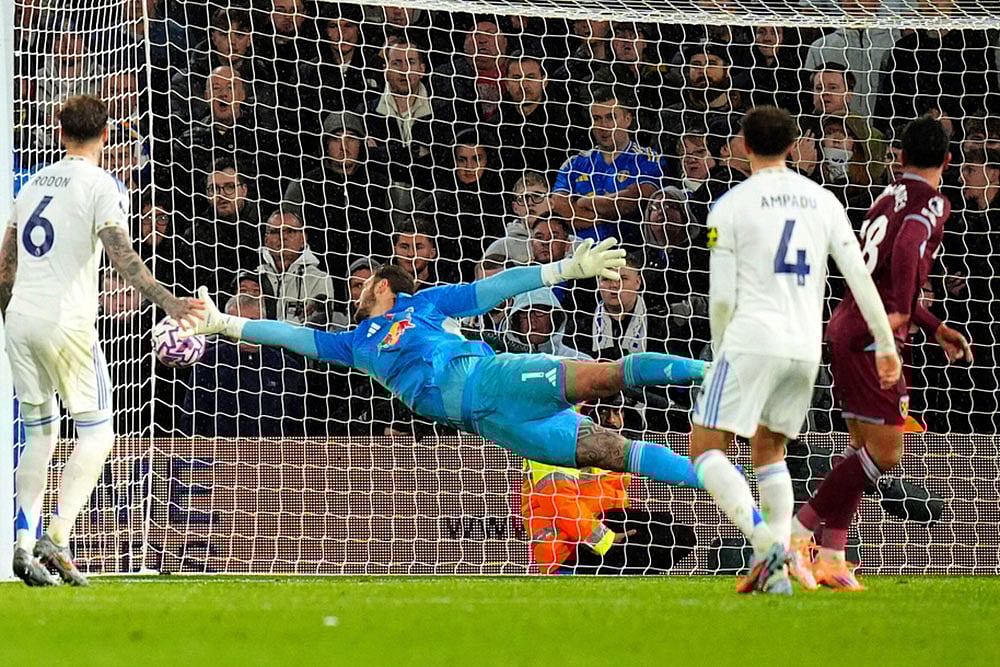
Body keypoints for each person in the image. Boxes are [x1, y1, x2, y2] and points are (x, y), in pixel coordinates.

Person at [182, 239, 713, 519]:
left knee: (602, 381)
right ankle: (734, 496)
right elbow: (290, 336)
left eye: (365, 283)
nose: (357, 291)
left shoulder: (424, 304)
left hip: (494, 379)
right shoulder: (353, 344)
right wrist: (226, 323)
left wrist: (561, 271)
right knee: (609, 452)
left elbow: (495, 288)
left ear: (385, 287)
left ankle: (708, 372)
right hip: (492, 424)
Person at [688, 106, 900, 595]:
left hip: (750, 339)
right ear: (793, 145)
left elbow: (721, 296)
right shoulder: (822, 200)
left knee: (704, 448)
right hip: (805, 348)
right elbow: (858, 276)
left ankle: (768, 547)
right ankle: (780, 568)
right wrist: (885, 344)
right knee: (770, 449)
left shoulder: (730, 206)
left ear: (743, 146)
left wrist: (722, 350)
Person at [0, 95, 202, 587]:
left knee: (41, 432)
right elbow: (123, 256)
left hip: (19, 319)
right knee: (97, 432)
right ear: (106, 134)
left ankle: (22, 544)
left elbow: (6, 263)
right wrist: (170, 302)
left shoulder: (29, 186)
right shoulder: (102, 185)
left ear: (59, 132)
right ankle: (59, 536)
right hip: (67, 322)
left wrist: (10, 315)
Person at [789, 116, 974, 591]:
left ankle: (832, 555)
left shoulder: (884, 199)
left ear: (900, 157)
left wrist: (934, 326)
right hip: (876, 335)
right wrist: (906, 318)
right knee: (886, 453)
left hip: (847, 323)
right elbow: (910, 249)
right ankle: (797, 532)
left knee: (859, 449)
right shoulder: (933, 201)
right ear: (948, 161)